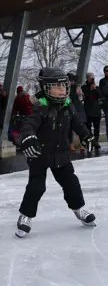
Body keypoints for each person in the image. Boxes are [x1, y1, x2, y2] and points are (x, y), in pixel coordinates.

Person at [17, 67, 96, 238]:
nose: (63, 89)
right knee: (36, 187)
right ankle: (25, 216)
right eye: (58, 86)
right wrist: (29, 138)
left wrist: (86, 136)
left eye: (64, 86)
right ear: (46, 88)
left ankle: (78, 208)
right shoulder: (39, 107)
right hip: (39, 155)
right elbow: (29, 125)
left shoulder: (67, 104)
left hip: (61, 154)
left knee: (71, 184)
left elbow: (77, 123)